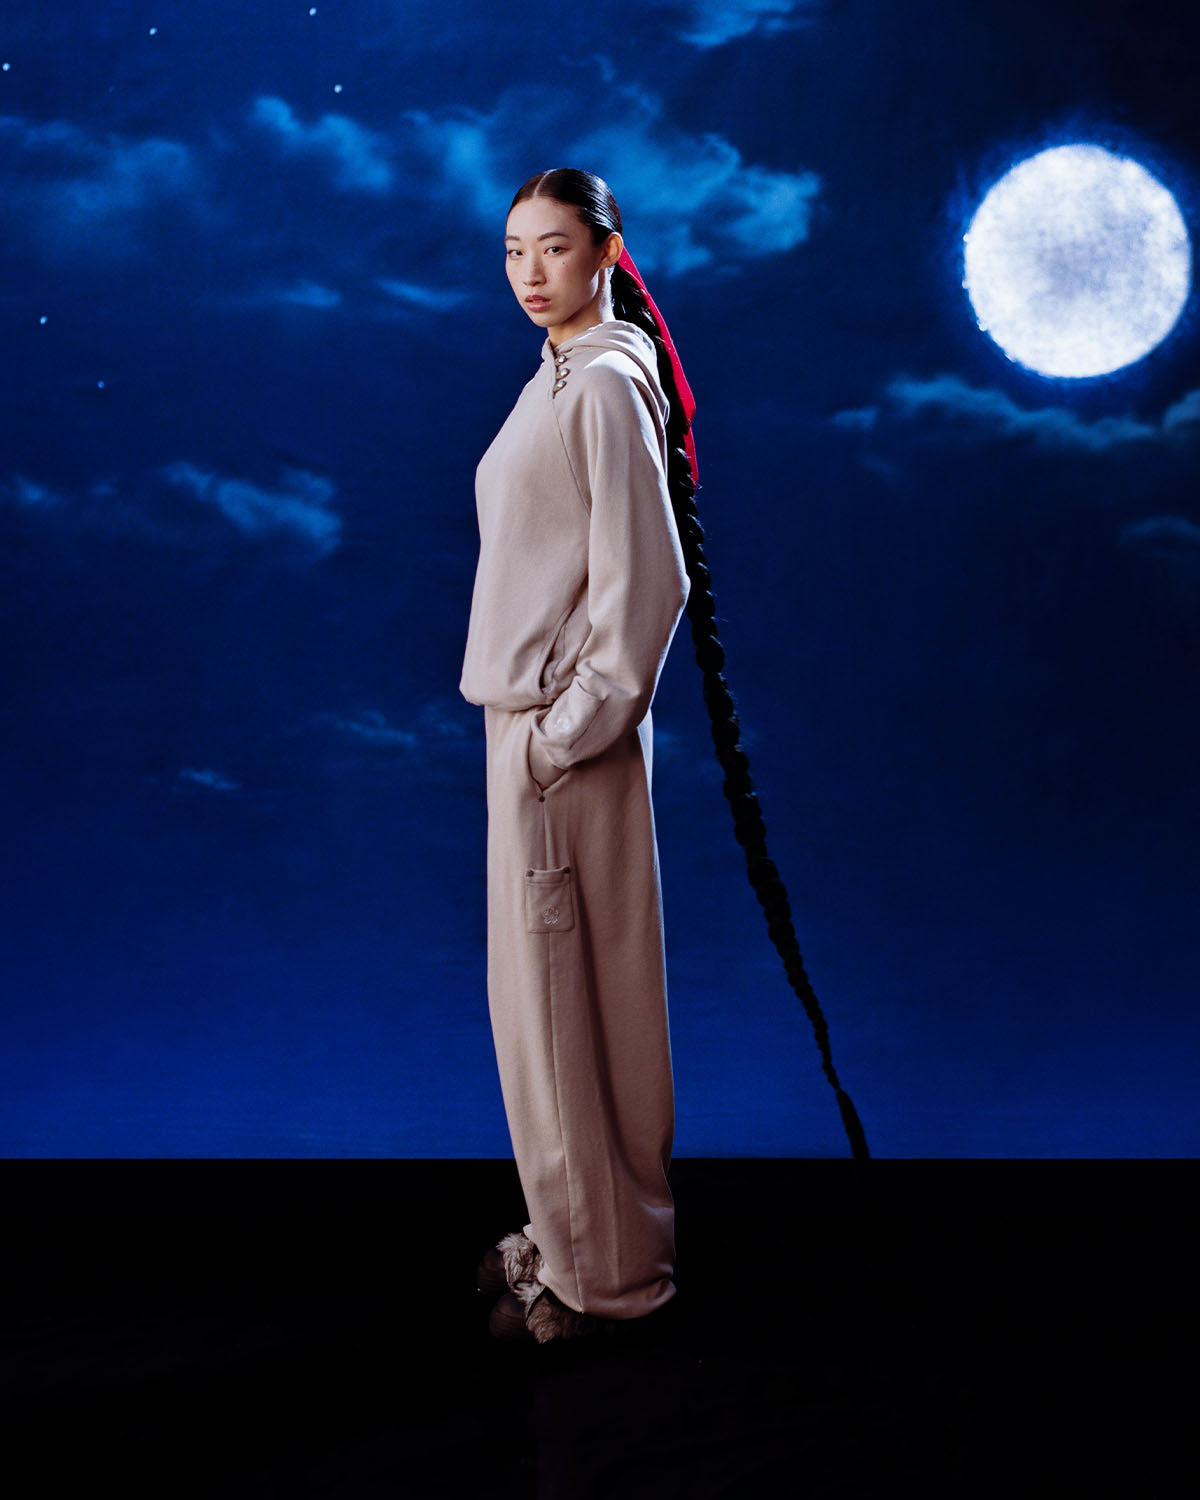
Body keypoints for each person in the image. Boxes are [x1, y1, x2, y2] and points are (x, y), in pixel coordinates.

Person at [461, 168, 868, 1345]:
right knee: (560, 1003)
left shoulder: (600, 388)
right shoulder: (567, 374)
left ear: (607, 250)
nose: (531, 273)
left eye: (553, 248)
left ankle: (602, 1281)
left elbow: (649, 588)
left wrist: (558, 737)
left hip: (559, 741)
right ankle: (587, 1237)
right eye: (512, 251)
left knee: (565, 1007)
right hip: (535, 732)